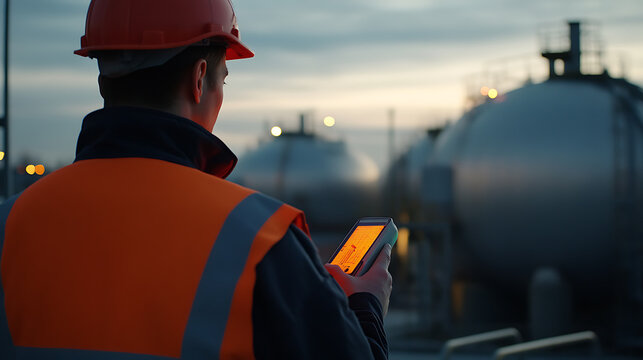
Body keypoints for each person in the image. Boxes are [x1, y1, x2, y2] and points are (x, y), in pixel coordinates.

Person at [0, 0, 392, 359]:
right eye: (225, 79)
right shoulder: (261, 240)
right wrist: (366, 305)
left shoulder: (9, 223)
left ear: (103, 81)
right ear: (200, 78)